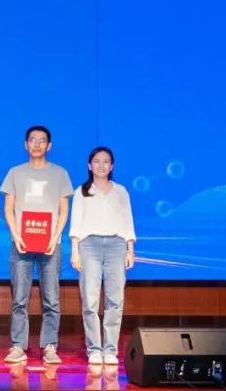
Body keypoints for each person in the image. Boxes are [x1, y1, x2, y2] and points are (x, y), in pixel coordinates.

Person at [0, 125, 73, 365]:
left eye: (42, 140)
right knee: (19, 298)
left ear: (49, 146)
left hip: (50, 244)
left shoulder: (60, 173)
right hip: (21, 243)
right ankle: (17, 346)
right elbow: (8, 209)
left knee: (51, 299)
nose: (37, 144)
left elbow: (64, 210)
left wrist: (55, 236)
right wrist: (16, 235)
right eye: (32, 140)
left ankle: (50, 346)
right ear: (25, 144)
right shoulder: (15, 172)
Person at [69, 146, 136, 366]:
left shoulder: (121, 191)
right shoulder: (82, 191)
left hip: (117, 246)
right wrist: (75, 251)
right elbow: (76, 223)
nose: (101, 165)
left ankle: (110, 349)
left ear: (112, 166)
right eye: (96, 161)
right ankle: (94, 349)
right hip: (89, 246)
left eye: (106, 161)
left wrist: (130, 249)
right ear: (89, 166)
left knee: (115, 300)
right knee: (90, 300)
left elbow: (128, 221)